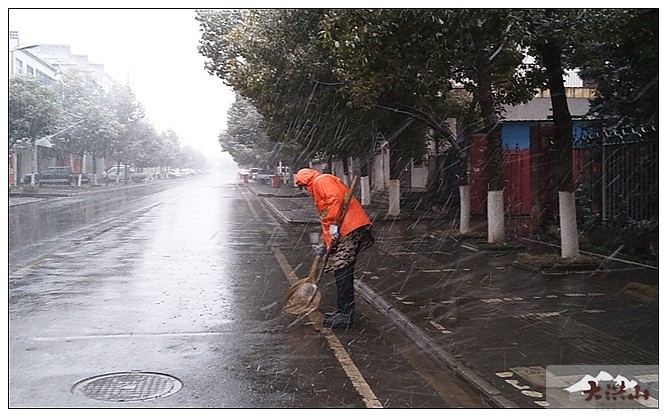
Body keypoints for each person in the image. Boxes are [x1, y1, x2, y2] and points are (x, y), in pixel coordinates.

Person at [294, 168, 374, 328]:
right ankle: (342, 311)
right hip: (346, 228)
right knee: (341, 271)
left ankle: (346, 315)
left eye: (303, 188)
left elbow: (335, 199)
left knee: (343, 271)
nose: (305, 192)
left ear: (306, 183)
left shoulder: (321, 181)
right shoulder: (318, 187)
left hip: (350, 227)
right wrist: (325, 242)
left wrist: (333, 225)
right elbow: (327, 216)